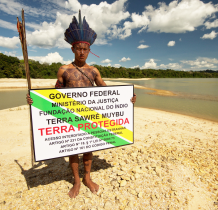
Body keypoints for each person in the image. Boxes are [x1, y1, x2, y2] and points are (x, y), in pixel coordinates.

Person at [26, 10, 136, 198]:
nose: (82, 52)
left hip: (89, 115)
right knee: (73, 149)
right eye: (79, 49)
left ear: (89, 50)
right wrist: (35, 101)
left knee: (88, 147)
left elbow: (106, 91)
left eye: (86, 49)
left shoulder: (93, 71)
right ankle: (76, 181)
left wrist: (127, 98)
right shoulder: (64, 70)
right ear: (73, 49)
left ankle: (87, 177)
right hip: (70, 115)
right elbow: (55, 94)